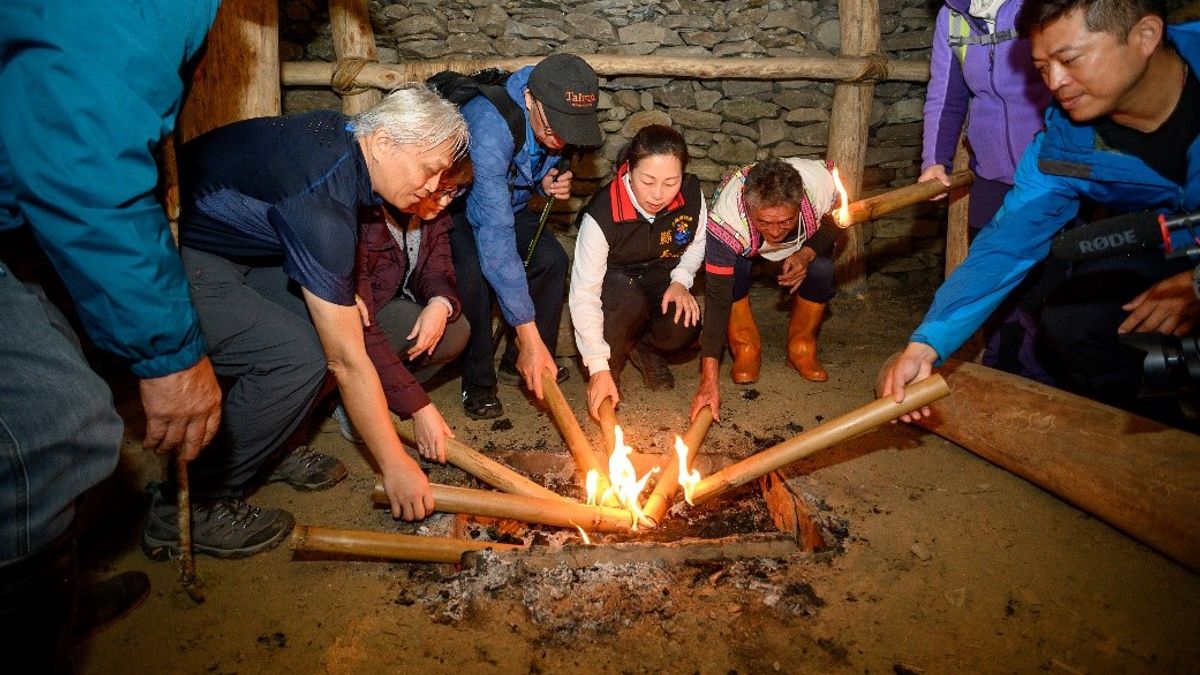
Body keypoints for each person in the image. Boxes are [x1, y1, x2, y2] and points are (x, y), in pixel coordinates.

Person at [147, 86, 469, 561]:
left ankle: (270, 446)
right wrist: (394, 463)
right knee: (298, 355)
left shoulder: (341, 140)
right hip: (172, 248)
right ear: (383, 141)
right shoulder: (325, 199)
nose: (433, 186)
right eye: (428, 169)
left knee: (326, 331)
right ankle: (190, 504)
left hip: (245, 249)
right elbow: (348, 362)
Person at [0, 0, 221, 667]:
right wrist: (169, 353)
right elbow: (82, 152)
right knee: (52, 426)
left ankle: (47, 591)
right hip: (55, 167)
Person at [883, 0, 1200, 425]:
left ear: (1145, 36)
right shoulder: (1064, 145)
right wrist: (927, 344)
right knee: (1074, 319)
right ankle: (1163, 439)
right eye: (1041, 68)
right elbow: (1007, 243)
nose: (1055, 82)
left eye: (1069, 60)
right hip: (1173, 237)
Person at [451, 53, 603, 419]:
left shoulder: (555, 105)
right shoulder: (488, 129)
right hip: (460, 209)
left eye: (570, 130)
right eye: (553, 129)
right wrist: (526, 330)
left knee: (552, 261)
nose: (560, 140)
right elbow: (496, 235)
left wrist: (545, 180)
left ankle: (525, 361)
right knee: (474, 276)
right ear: (530, 100)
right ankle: (478, 381)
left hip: (509, 204)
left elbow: (527, 168)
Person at [921, 0, 1056, 381]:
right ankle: (1005, 373)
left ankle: (1051, 379)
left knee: (1047, 287)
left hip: (1054, 169)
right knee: (995, 288)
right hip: (992, 173)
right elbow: (946, 94)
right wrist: (935, 160)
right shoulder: (953, 16)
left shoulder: (1034, 6)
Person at [570, 125, 706, 419]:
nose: (658, 194)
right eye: (648, 180)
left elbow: (697, 241)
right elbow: (584, 293)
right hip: (617, 282)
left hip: (662, 274)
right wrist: (597, 366)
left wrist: (682, 280)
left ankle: (645, 349)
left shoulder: (692, 195)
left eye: (671, 182)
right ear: (629, 170)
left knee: (685, 325)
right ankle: (611, 366)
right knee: (623, 301)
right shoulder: (602, 214)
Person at [332, 157, 473, 441]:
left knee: (457, 330)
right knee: (397, 319)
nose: (445, 202)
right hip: (357, 319)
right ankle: (349, 399)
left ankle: (383, 394)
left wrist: (439, 303)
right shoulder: (367, 219)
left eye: (453, 192)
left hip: (392, 310)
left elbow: (437, 269)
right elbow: (364, 322)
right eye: (439, 191)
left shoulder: (433, 213)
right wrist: (418, 407)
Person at [690, 158, 841, 422]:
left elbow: (836, 222)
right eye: (765, 222)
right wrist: (709, 379)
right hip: (743, 242)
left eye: (785, 221)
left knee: (822, 269)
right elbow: (716, 300)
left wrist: (805, 255)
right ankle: (745, 347)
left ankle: (801, 348)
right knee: (733, 273)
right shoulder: (726, 221)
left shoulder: (821, 184)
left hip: (804, 243)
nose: (775, 232)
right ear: (749, 209)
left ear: (800, 203)